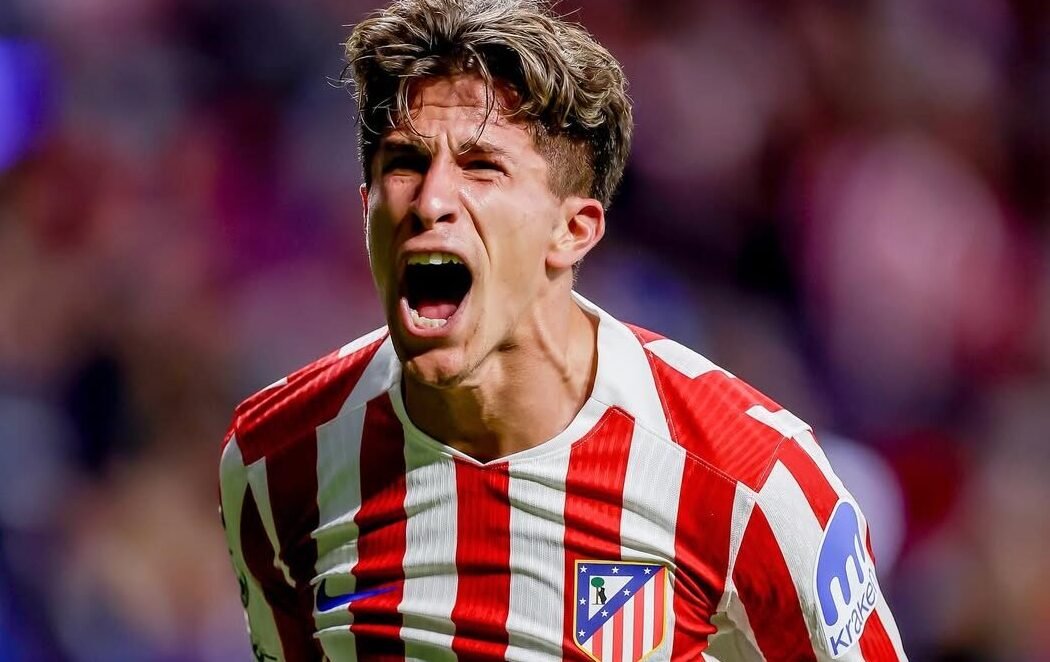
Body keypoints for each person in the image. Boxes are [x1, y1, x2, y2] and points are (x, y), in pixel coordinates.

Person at [218, 0, 907, 660]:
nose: (430, 201)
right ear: (367, 206)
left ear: (572, 231)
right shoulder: (273, 461)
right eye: (403, 163)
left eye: (482, 167)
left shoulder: (750, 478)